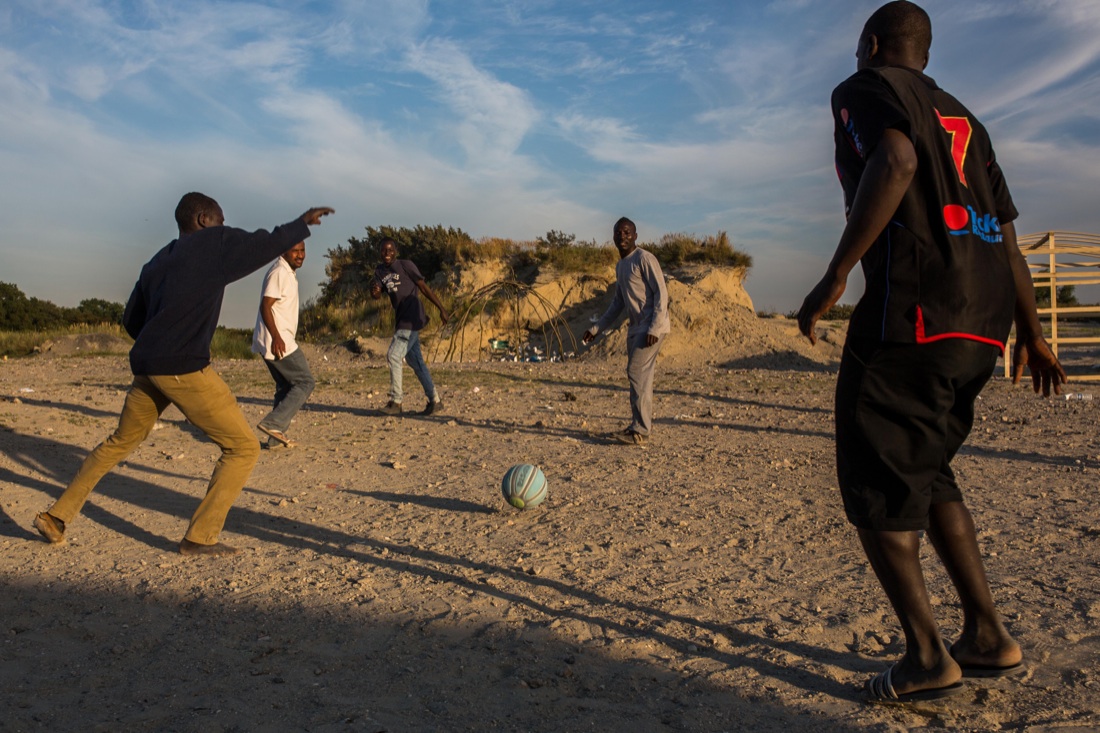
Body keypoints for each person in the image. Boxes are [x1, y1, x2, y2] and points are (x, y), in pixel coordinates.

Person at [797, 1, 1066, 703]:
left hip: (916, 313)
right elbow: (1006, 234)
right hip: (984, 323)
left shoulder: (864, 87)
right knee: (926, 468)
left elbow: (895, 159)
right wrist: (1033, 333)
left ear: (871, 44)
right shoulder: (967, 118)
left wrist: (836, 275)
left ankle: (926, 657)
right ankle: (987, 635)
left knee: (873, 473)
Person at [33, 193, 334, 556]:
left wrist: (158, 341)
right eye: (220, 219)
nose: (224, 226)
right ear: (204, 219)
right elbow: (262, 244)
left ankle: (57, 516)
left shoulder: (158, 260)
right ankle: (200, 537)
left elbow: (131, 319)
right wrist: (301, 223)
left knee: (119, 442)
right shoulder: (214, 243)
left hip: (149, 367)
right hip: (184, 367)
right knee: (243, 447)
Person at [583, 217, 670, 445]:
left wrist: (655, 327)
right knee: (641, 377)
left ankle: (640, 430)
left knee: (635, 371)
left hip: (650, 328)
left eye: (627, 232)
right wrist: (596, 328)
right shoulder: (621, 266)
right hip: (636, 328)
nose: (622, 236)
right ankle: (638, 428)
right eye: (618, 233)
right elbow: (618, 303)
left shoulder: (644, 258)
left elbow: (661, 293)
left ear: (635, 236)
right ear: (613, 236)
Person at [369, 238, 449, 416]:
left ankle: (396, 402)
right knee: (415, 361)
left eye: (390, 250)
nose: (387, 253)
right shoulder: (380, 271)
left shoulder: (406, 265)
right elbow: (377, 294)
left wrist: (441, 308)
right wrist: (374, 291)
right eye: (384, 250)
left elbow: (424, 288)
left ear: (396, 251)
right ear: (380, 252)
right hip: (401, 319)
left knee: (393, 355)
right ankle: (435, 401)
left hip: (412, 317)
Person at [252, 241, 315, 448]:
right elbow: (265, 306)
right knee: (305, 382)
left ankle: (274, 438)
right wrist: (277, 337)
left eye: (302, 250)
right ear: (283, 252)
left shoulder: (287, 272)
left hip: (274, 339)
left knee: (286, 386)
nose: (300, 255)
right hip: (278, 341)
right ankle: (273, 423)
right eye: (295, 251)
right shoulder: (279, 271)